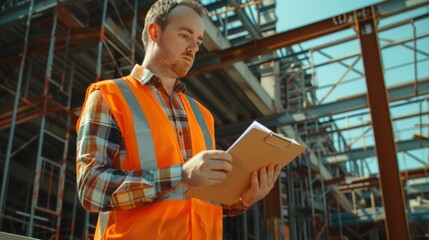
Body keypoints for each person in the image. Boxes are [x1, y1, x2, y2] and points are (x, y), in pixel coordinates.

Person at [76, 0, 282, 239]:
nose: (193, 48)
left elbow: (196, 199)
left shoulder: (202, 115)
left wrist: (242, 199)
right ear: (155, 32)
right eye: (185, 35)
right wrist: (181, 174)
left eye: (198, 41)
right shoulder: (109, 96)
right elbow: (91, 189)